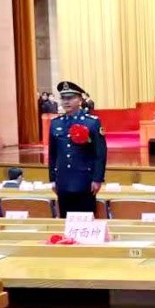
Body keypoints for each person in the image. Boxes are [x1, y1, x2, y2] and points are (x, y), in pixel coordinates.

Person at [48, 81, 107, 217]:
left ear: (80, 100)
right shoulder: (56, 123)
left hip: (84, 180)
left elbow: (100, 153)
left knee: (85, 220)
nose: (66, 101)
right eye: (63, 98)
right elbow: (53, 154)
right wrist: (52, 178)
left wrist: (97, 178)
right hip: (63, 180)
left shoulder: (91, 122)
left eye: (70, 98)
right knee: (65, 219)